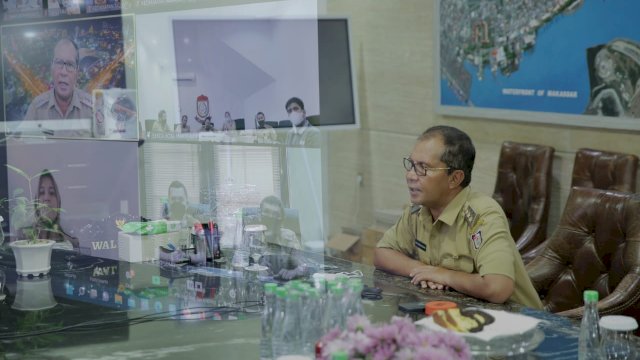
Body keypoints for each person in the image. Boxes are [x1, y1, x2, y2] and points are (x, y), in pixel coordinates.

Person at [373, 125, 543, 309]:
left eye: (423, 168)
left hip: (519, 325)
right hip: (462, 314)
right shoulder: (419, 211)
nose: (410, 175)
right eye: (411, 165)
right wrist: (424, 271)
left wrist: (445, 275)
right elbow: (382, 253)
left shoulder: (482, 214)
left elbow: (498, 287)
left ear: (454, 178)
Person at [24, 38, 93, 135]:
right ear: (51, 68)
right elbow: (24, 147)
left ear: (77, 73)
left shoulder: (91, 109)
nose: (63, 72)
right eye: (59, 63)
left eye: (70, 64)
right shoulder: (36, 109)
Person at [18, 170, 78, 250]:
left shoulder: (69, 242)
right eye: (42, 192)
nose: (46, 198)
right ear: (36, 202)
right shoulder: (23, 238)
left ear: (58, 203)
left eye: (52, 192)